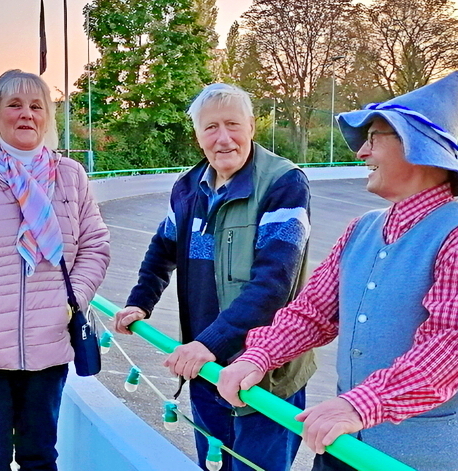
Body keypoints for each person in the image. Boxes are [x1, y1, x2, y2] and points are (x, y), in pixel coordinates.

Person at [218, 71, 458, 471]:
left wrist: (358, 405)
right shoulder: (362, 228)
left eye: (373, 139)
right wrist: (258, 356)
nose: (362, 153)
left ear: (415, 146)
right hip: (346, 444)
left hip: (426, 459)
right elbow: (312, 313)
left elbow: (444, 351)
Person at [113, 83, 315, 471]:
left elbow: (275, 283)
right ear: (197, 135)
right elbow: (162, 249)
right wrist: (140, 300)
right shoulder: (189, 188)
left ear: (252, 126)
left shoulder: (284, 184)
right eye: (211, 128)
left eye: (233, 125)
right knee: (213, 465)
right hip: (206, 370)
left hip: (263, 376)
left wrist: (210, 343)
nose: (223, 138)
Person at [0, 69, 110, 471]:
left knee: (39, 456)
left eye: (36, 105)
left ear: (47, 116)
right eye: (14, 104)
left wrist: (72, 300)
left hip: (48, 343)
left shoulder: (70, 176)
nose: (26, 114)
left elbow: (95, 246)